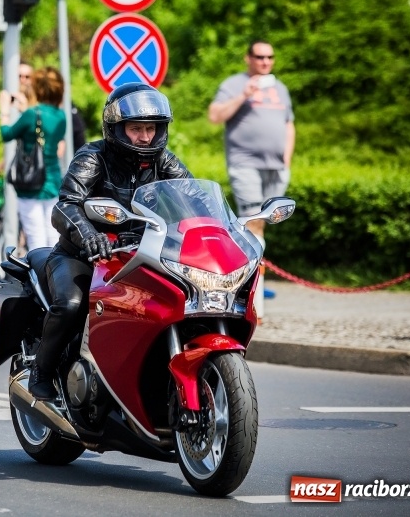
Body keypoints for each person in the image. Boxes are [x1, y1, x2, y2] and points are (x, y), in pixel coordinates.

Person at [28, 82, 192, 400]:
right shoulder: (94, 157)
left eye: (152, 128)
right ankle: (41, 371)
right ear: (115, 128)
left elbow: (193, 197)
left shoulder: (164, 161)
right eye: (136, 128)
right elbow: (66, 205)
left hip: (141, 255)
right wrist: (89, 235)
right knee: (72, 305)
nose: (145, 136)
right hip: (82, 255)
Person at [208, 39, 295, 303]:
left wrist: (287, 158)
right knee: (252, 219)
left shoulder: (280, 88)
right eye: (259, 57)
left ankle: (255, 275)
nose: (265, 62)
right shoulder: (234, 84)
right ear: (248, 58)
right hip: (245, 163)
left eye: (270, 57)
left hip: (276, 167)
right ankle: (251, 284)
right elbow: (214, 116)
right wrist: (244, 94)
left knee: (263, 222)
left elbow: (289, 122)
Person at [0, 66, 66, 251]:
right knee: (53, 236)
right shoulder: (61, 116)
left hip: (30, 181)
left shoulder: (31, 114)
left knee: (35, 238)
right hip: (52, 180)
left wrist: (3, 111)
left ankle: (39, 278)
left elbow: (7, 134)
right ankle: (54, 276)